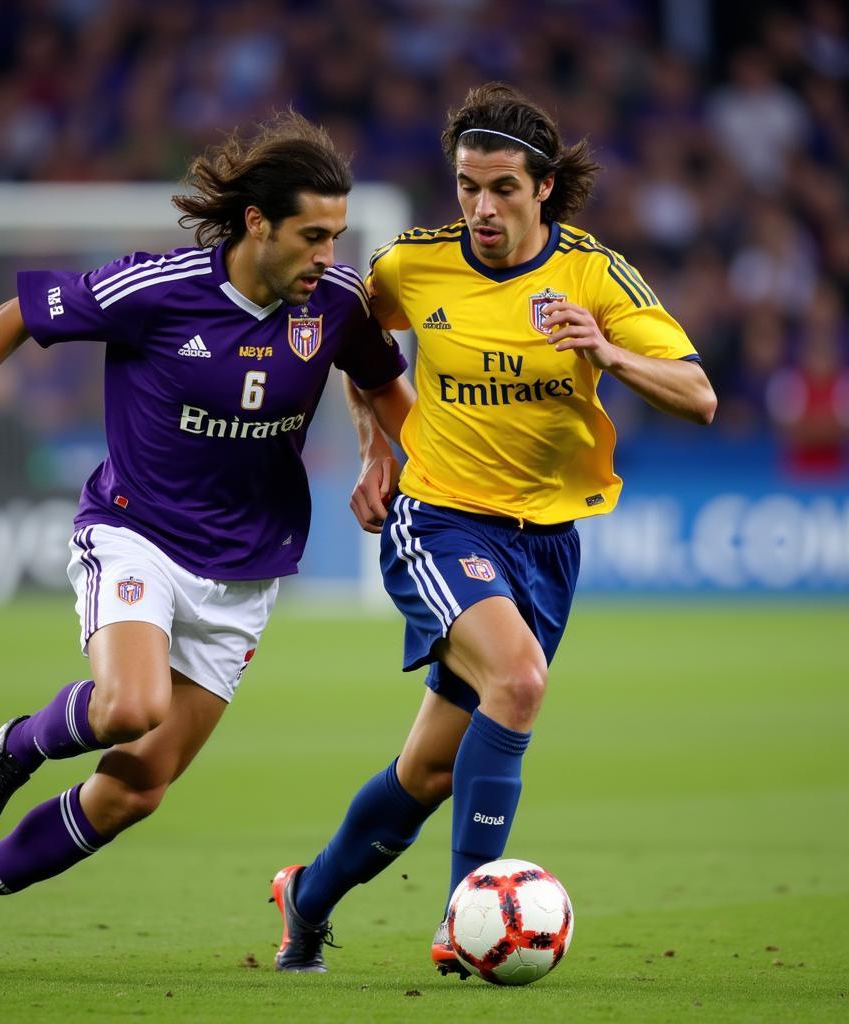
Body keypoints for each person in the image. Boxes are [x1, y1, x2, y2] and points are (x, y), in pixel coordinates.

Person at [0, 111, 412, 978]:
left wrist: (386, 451)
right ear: (257, 223)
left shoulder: (334, 304)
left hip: (245, 572)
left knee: (133, 790)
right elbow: (17, 314)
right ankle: (15, 748)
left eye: (337, 236)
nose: (328, 254)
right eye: (313, 235)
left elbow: (383, 383)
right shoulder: (158, 289)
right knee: (127, 705)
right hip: (137, 534)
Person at [270, 82, 717, 976]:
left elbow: (699, 396)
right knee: (519, 680)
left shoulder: (593, 275)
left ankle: (306, 898)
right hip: (439, 521)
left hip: (546, 547)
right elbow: (357, 348)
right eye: (468, 185)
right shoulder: (413, 264)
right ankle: (466, 918)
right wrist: (375, 451)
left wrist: (608, 352)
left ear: (543, 187)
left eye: (502, 188)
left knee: (429, 773)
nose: (480, 205)